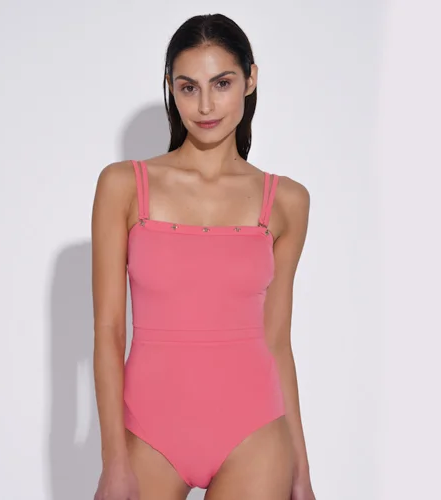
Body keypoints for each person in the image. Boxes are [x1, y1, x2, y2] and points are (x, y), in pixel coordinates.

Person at [91, 13, 315, 500]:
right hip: (147, 433)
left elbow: (277, 341)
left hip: (257, 434)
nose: (206, 105)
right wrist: (113, 460)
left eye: (223, 83)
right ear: (170, 88)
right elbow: (108, 331)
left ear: (250, 80)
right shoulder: (124, 186)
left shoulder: (287, 201)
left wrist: (301, 471)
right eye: (188, 87)